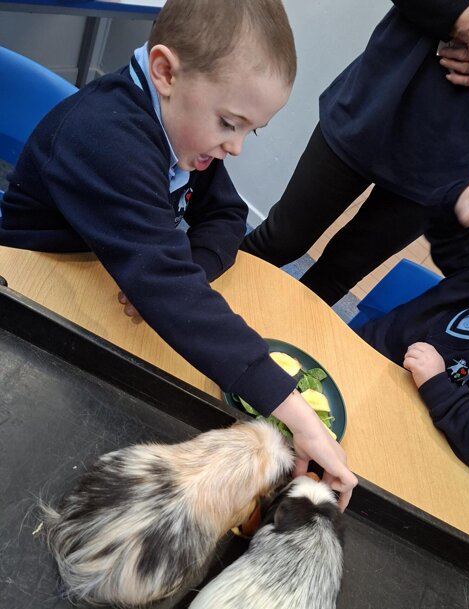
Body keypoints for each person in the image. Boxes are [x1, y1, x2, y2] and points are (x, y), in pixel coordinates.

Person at [0, 0, 357, 508]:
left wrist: (184, 268)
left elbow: (226, 215)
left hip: (101, 274)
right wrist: (299, 417)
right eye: (229, 123)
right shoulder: (106, 139)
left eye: (249, 130)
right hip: (30, 287)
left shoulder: (185, 129)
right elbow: (171, 291)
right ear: (165, 72)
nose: (236, 147)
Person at [241, 0, 469, 307]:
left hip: (455, 157)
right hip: (377, 97)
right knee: (280, 240)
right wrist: (467, 18)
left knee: (332, 278)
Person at [357, 211, 469, 478]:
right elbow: (443, 225)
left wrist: (438, 384)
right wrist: (461, 202)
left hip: (389, 431)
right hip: (352, 356)